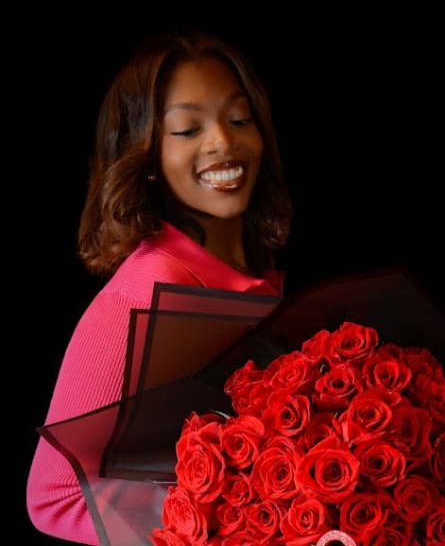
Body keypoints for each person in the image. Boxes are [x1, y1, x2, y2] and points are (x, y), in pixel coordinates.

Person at [25, 27, 293, 545]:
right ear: (146, 156)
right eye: (188, 129)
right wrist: (230, 525)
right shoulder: (151, 291)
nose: (223, 142)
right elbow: (55, 496)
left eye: (240, 119)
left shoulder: (251, 271)